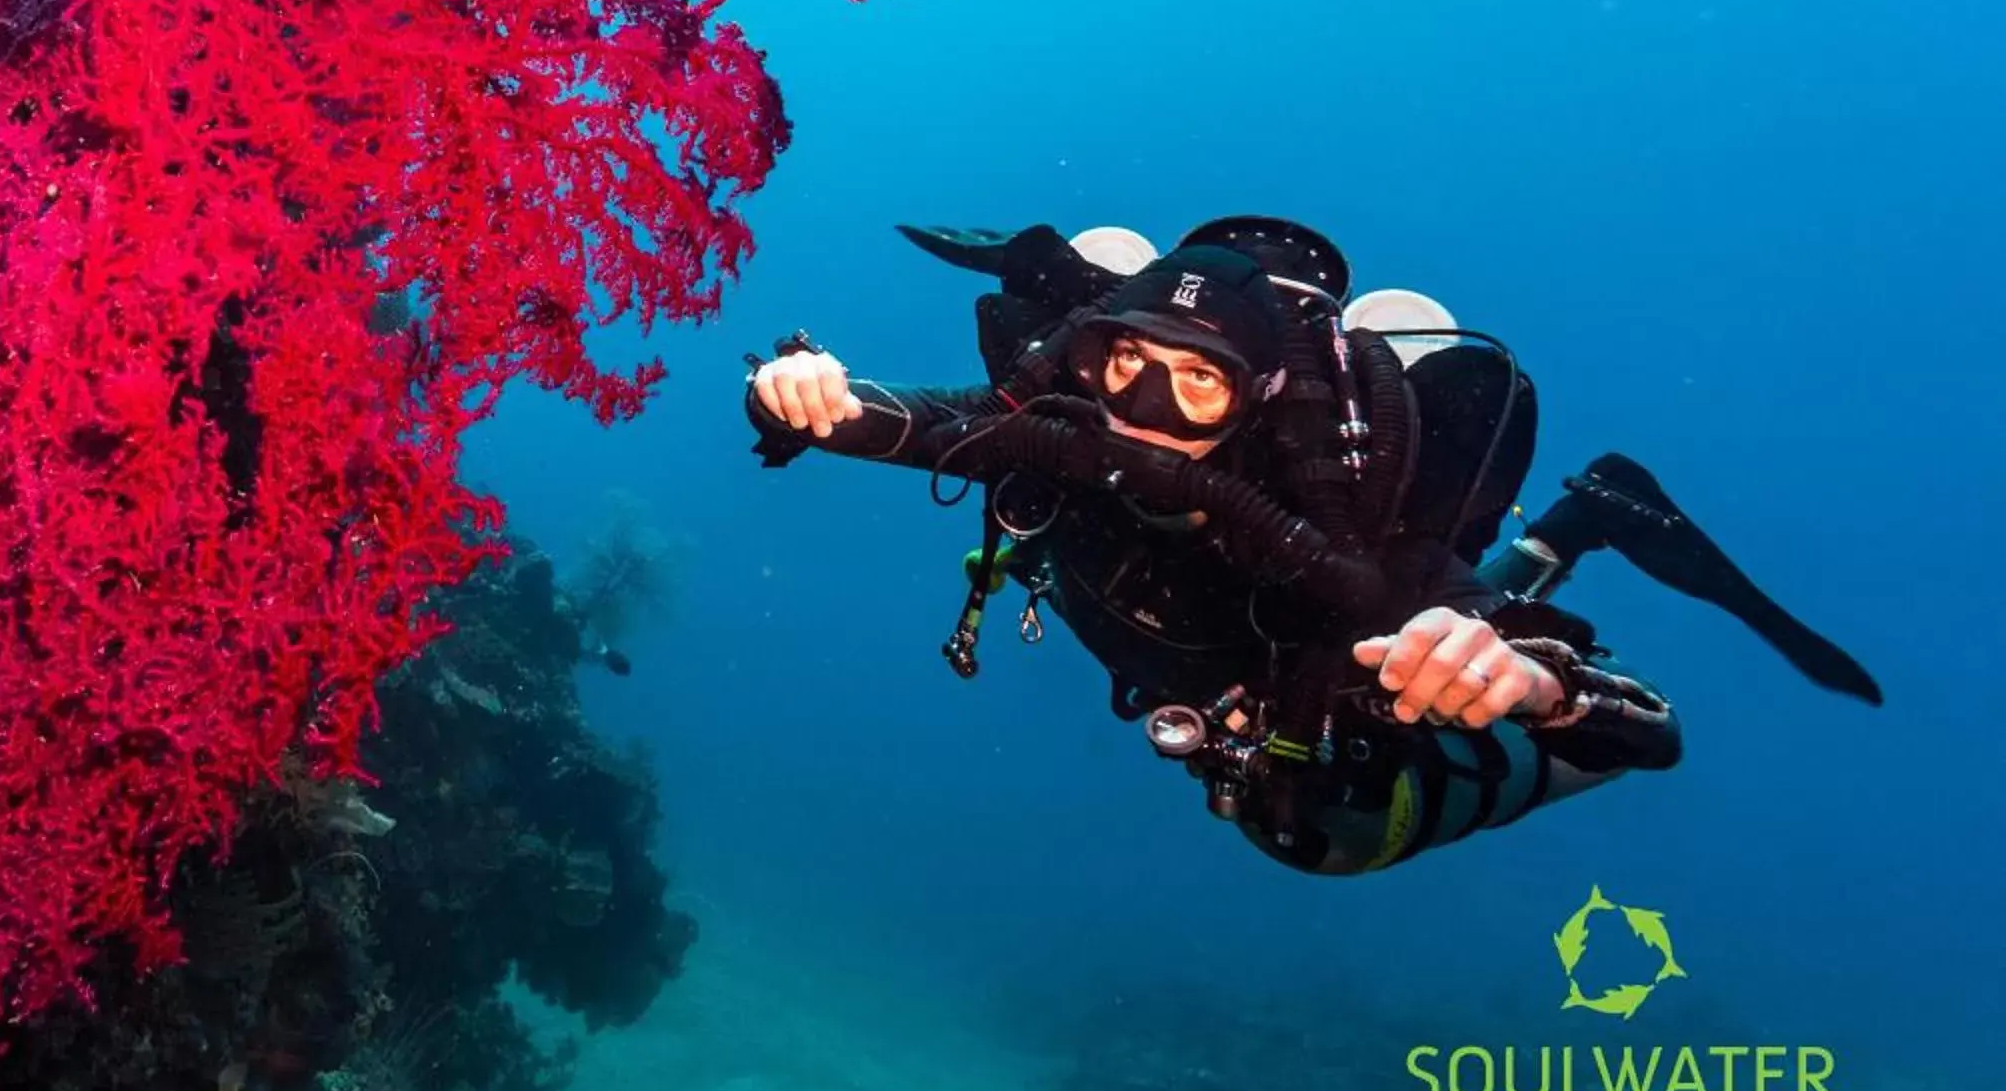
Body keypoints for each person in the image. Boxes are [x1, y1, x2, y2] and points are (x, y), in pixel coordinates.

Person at [741, 216, 1878, 874]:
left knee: (1311, 841)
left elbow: (1655, 732)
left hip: (1313, 719)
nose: (1139, 410)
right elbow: (890, 415)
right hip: (1159, 654)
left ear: (1254, 402)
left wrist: (1526, 678)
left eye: (1197, 383)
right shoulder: (1048, 429)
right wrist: (801, 393)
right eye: (1121, 360)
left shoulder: (1342, 524)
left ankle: (1583, 522)